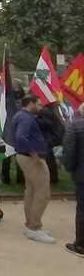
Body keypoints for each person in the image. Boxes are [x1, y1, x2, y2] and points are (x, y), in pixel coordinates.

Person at [13, 95, 55, 244]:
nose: (41, 107)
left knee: (31, 191)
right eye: (38, 104)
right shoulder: (26, 118)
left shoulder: (21, 115)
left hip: (24, 156)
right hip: (32, 158)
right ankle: (34, 227)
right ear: (30, 103)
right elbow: (21, 137)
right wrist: (34, 153)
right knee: (43, 192)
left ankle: (30, 225)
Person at [63, 103, 84, 257]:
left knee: (82, 209)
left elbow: (69, 151)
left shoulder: (74, 126)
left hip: (81, 174)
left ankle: (81, 245)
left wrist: (70, 168)